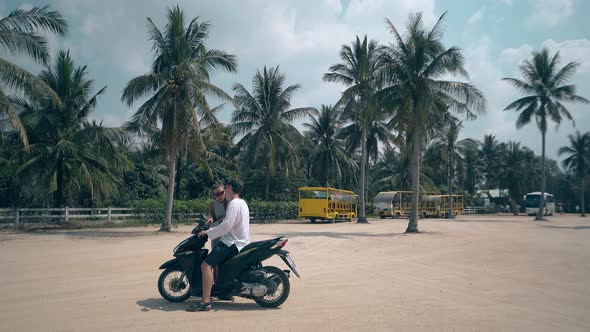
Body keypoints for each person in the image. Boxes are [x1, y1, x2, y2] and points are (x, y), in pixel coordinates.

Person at [187, 179, 250, 312]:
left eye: (225, 188)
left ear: (230, 188)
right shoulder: (242, 203)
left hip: (231, 242)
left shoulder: (233, 204)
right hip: (240, 241)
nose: (223, 192)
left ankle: (205, 302)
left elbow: (226, 226)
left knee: (205, 265)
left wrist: (208, 233)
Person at [206, 182, 227, 251]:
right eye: (217, 194)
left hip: (228, 232)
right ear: (213, 195)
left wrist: (223, 218)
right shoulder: (212, 204)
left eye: (221, 193)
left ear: (225, 191)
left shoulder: (229, 202)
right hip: (218, 231)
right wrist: (210, 219)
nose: (220, 196)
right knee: (214, 251)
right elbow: (214, 218)